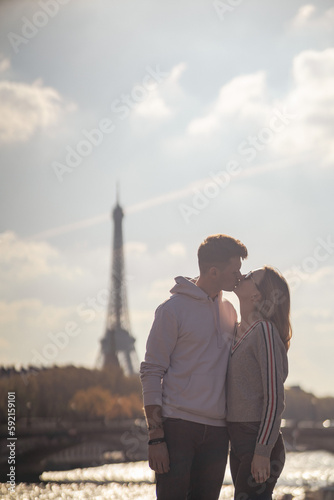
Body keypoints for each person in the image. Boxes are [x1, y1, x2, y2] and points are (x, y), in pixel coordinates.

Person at [140, 234, 248, 500]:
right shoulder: (171, 311)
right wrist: (156, 437)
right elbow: (151, 372)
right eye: (235, 271)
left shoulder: (230, 312)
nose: (240, 276)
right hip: (178, 428)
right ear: (213, 271)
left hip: (218, 432)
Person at [226, 266, 292, 500]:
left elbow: (274, 397)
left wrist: (262, 451)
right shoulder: (238, 332)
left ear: (257, 295)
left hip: (257, 440)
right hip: (240, 440)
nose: (243, 275)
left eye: (251, 276)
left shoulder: (264, 330)